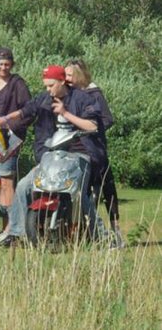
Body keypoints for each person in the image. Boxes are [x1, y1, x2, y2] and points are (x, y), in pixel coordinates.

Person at [0, 65, 106, 246]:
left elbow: (93, 126)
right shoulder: (45, 98)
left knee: (78, 193)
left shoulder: (83, 98)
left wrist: (65, 113)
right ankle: (16, 233)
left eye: (51, 85)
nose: (48, 89)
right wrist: (4, 119)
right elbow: (25, 111)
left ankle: (101, 235)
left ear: (62, 81)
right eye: (46, 86)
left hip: (80, 154)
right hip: (51, 156)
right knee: (23, 186)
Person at [65, 59, 124, 248]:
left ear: (79, 75)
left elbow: (107, 119)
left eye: (70, 75)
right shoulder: (70, 94)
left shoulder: (94, 93)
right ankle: (84, 232)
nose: (67, 79)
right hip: (77, 150)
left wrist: (89, 129)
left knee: (107, 191)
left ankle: (116, 232)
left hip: (96, 148)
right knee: (82, 191)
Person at [0, 48, 32, 246]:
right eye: (0, 64)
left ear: (12, 65)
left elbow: (28, 112)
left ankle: (11, 229)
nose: (4, 68)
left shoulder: (18, 84)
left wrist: (8, 125)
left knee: (7, 182)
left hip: (9, 139)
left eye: (7, 64)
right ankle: (5, 227)